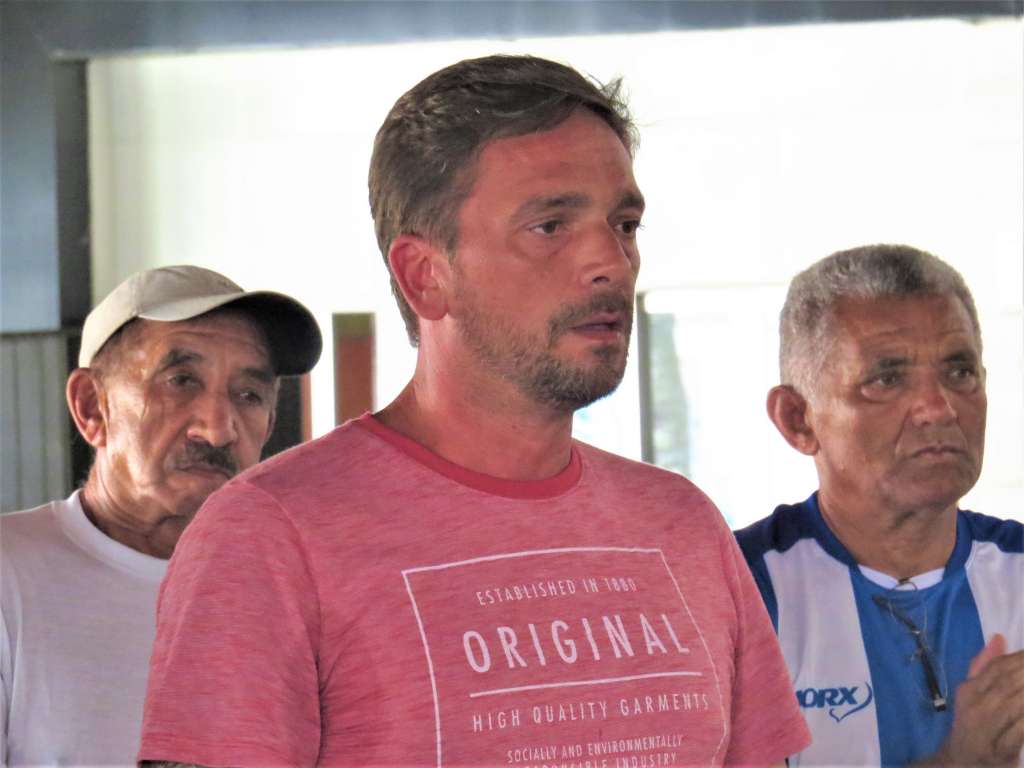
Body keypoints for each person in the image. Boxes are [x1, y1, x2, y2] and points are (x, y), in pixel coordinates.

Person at [138, 55, 809, 766]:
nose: (610, 261)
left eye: (625, 222)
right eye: (551, 225)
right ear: (425, 276)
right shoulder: (269, 537)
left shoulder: (683, 527)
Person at [0, 265, 321, 766]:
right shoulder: (11, 576)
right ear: (92, 407)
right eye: (181, 381)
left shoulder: (303, 593)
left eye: (248, 395)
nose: (217, 430)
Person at [736, 244, 1024, 767]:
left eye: (960, 373)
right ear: (798, 419)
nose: (938, 408)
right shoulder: (736, 593)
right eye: (886, 380)